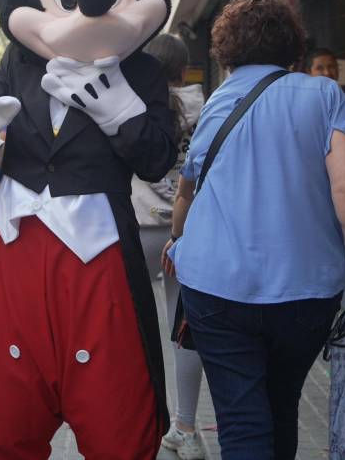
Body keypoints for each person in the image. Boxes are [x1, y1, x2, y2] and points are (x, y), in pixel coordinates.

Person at [163, 0, 345, 460]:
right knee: (281, 406)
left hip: (214, 288)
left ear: (225, 53)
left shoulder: (216, 104)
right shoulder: (324, 96)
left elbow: (186, 194)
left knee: (243, 420)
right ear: (295, 50)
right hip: (304, 294)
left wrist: (178, 242)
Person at [132, 33, 208, 459]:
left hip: (140, 225)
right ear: (183, 70)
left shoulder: (136, 105)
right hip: (186, 232)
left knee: (132, 327)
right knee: (183, 332)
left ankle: (137, 417)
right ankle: (185, 427)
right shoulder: (207, 107)